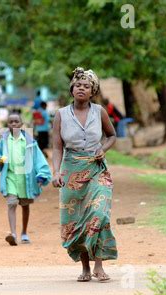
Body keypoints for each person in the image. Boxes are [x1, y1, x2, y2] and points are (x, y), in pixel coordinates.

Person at [51, 67, 117, 282]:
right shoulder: (60, 115)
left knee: (99, 214)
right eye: (78, 85)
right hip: (71, 171)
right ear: (72, 89)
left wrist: (103, 149)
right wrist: (56, 172)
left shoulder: (99, 112)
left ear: (92, 91)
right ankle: (86, 268)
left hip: (97, 170)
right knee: (77, 220)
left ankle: (99, 265)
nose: (81, 88)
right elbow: (58, 147)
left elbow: (112, 135)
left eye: (86, 86)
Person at [0, 113, 52, 246]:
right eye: (11, 122)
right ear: (7, 125)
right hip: (11, 177)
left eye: (16, 121)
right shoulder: (4, 141)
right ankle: (13, 234)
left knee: (25, 205)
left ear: (21, 124)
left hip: (26, 178)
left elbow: (39, 160)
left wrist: (42, 175)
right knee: (12, 203)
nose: (13, 124)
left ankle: (24, 233)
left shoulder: (30, 142)